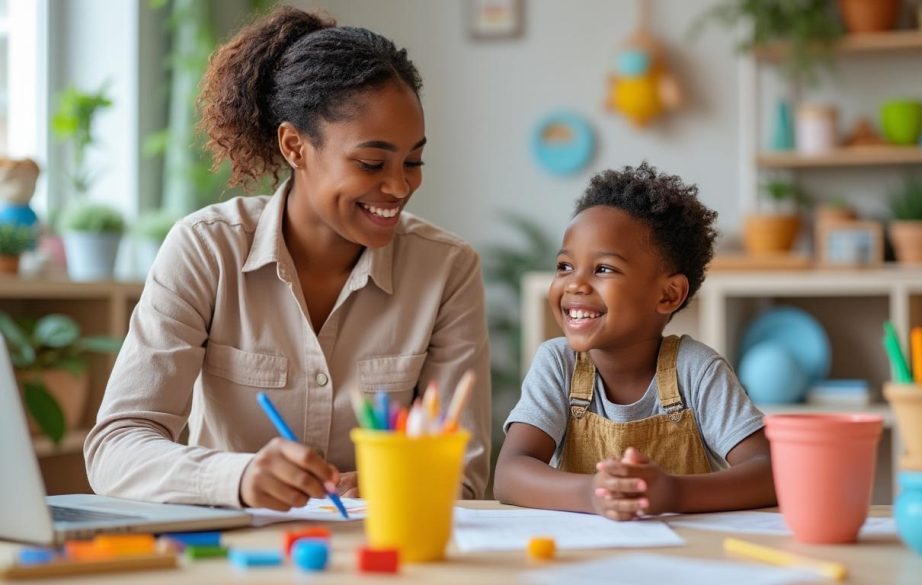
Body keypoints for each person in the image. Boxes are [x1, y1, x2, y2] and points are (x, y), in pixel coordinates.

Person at [84, 6, 490, 511]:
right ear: (295, 145)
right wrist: (238, 476)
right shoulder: (206, 249)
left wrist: (396, 485)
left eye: (413, 161)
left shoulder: (446, 269)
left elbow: (464, 472)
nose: (400, 186)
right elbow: (115, 447)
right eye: (371, 163)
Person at [494, 162, 774, 520]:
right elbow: (509, 474)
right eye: (565, 266)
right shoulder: (557, 364)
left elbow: (769, 472)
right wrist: (594, 493)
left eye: (603, 269)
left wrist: (672, 492)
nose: (575, 284)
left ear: (669, 294)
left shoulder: (697, 370)